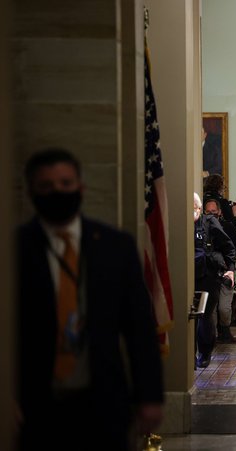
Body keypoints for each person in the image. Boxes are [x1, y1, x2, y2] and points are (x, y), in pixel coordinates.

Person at [16, 148, 163, 451]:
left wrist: (149, 395)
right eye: (47, 186)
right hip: (34, 404)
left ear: (80, 188)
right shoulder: (16, 249)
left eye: (65, 184)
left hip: (103, 401)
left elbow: (138, 327)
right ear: (31, 192)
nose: (57, 192)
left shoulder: (114, 246)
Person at [194, 192, 236, 369]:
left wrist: (230, 270)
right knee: (190, 317)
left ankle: (204, 353)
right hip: (188, 274)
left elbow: (228, 246)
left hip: (207, 274)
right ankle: (190, 355)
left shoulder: (208, 222)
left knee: (205, 315)